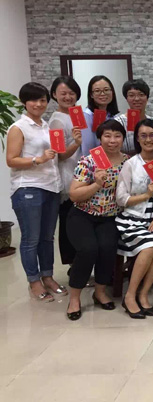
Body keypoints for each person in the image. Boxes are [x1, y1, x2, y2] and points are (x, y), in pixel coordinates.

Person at [6, 82, 65, 302]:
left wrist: (75, 143)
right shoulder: (18, 127)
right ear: (24, 102)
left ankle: (48, 276)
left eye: (42, 100)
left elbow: (57, 155)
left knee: (47, 238)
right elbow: (11, 160)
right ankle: (34, 281)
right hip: (28, 187)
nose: (38, 104)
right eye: (33, 100)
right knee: (31, 239)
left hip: (51, 186)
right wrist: (37, 160)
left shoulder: (46, 126)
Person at [66, 120, 128, 320]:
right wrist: (96, 184)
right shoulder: (89, 161)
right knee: (88, 250)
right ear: (100, 138)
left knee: (108, 248)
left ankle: (100, 292)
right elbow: (74, 195)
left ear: (123, 139)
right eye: (107, 136)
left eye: (117, 136)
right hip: (82, 215)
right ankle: (74, 298)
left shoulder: (127, 162)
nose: (112, 140)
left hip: (109, 217)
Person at [115, 119, 153, 319]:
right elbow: (121, 199)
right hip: (133, 218)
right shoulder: (130, 164)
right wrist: (146, 195)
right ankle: (130, 295)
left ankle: (144, 293)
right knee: (149, 247)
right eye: (143, 136)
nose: (148, 140)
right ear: (137, 139)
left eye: (152, 135)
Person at [48, 76, 83, 267]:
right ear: (54, 95)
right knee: (69, 223)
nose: (68, 97)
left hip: (81, 174)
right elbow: (59, 155)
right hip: (68, 177)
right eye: (63, 93)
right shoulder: (56, 120)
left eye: (72, 93)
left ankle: (80, 263)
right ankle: (72, 265)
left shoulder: (75, 115)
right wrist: (76, 143)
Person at [114, 79, 153, 155]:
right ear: (126, 98)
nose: (137, 99)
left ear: (147, 98)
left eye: (141, 95)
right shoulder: (118, 122)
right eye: (131, 95)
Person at [80, 75, 120, 157]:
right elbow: (87, 149)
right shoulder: (85, 116)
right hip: (93, 162)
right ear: (91, 94)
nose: (103, 94)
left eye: (106, 90)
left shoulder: (113, 116)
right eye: (97, 91)